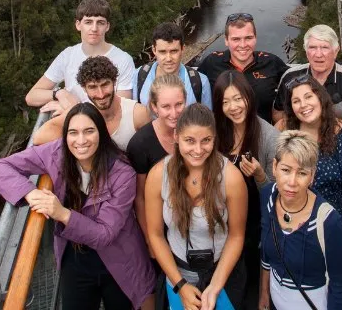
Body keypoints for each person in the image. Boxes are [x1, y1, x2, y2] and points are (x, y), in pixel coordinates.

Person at [0, 103, 155, 310]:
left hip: (119, 258)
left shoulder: (122, 173)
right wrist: (31, 193)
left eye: (89, 131)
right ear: (65, 136)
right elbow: (0, 168)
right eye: (73, 133)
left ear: (101, 134)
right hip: (75, 255)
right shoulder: (56, 152)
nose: (81, 141)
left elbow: (104, 234)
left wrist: (62, 213)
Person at [144, 104, 247, 310]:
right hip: (178, 274)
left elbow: (236, 235)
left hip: (223, 274)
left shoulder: (231, 177)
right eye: (189, 141)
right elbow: (155, 234)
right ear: (176, 137)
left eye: (206, 141)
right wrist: (180, 286)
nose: (198, 150)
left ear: (214, 138)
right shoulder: (157, 175)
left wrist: (215, 287)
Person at [281, 76, 342, 275]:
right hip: (300, 231)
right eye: (296, 101)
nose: (303, 105)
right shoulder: (290, 135)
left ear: (320, 98)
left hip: (337, 229)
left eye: (308, 97)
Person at [259, 131, 342, 310]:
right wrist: (263, 294)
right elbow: (266, 253)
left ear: (312, 175)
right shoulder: (268, 196)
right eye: (285, 170)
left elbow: (338, 283)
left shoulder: (329, 222)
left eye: (301, 173)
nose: (292, 182)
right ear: (274, 167)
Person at [211, 71, 278, 308]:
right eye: (226, 101)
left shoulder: (269, 137)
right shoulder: (216, 134)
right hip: (222, 225)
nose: (233, 107)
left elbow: (278, 198)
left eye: (238, 99)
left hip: (258, 226)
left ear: (248, 97)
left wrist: (260, 175)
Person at [25, 0, 135, 114]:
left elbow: (121, 110)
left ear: (107, 26)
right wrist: (59, 93)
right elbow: (31, 97)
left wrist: (71, 110)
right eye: (88, 22)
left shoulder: (123, 60)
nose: (94, 28)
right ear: (78, 25)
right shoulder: (67, 56)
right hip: (75, 129)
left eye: (100, 23)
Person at [32, 56, 150, 150]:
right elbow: (39, 137)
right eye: (93, 87)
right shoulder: (79, 113)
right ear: (84, 88)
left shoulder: (138, 114)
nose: (100, 94)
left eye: (105, 85)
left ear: (114, 82)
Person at [196, 13, 288, 124]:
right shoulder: (212, 62)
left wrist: (281, 118)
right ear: (226, 40)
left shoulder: (271, 62)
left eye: (248, 38)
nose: (243, 45)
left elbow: (295, 84)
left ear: (255, 38)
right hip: (223, 137)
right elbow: (193, 89)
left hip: (263, 136)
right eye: (236, 39)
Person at [127, 73, 187, 241]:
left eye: (179, 104)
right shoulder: (140, 144)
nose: (174, 113)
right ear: (154, 107)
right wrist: (150, 240)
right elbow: (140, 198)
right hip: (161, 225)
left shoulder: (194, 131)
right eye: (166, 106)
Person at [133, 22, 212, 108]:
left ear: (182, 49)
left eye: (174, 51)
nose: (168, 58)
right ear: (154, 50)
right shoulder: (139, 75)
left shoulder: (200, 82)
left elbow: (206, 120)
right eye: (162, 52)